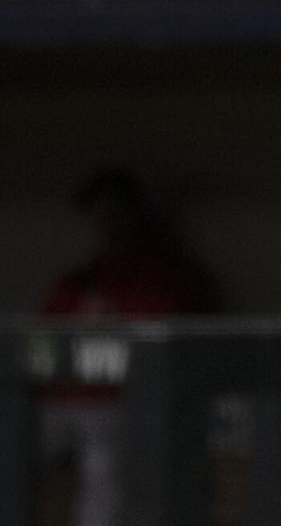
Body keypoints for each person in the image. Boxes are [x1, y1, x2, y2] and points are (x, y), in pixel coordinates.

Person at [38, 168, 218, 526]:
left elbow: (174, 345)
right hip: (66, 405)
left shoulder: (165, 278)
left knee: (101, 455)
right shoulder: (78, 281)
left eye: (117, 214)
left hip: (126, 407)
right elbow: (39, 347)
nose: (109, 225)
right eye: (100, 215)